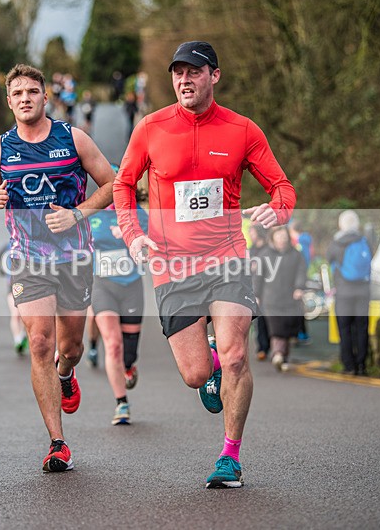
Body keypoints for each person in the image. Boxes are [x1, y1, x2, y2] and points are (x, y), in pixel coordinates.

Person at [113, 41, 296, 488]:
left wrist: (279, 208)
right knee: (196, 374)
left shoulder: (242, 130)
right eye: (178, 73)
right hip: (171, 264)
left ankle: (230, 456)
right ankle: (209, 364)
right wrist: (134, 235)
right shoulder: (151, 128)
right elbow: (122, 185)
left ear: (214, 75)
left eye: (194, 72)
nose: (184, 80)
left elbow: (283, 187)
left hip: (227, 257)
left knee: (237, 357)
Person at [0, 63, 114, 473]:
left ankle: (66, 373)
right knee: (40, 342)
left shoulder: (71, 138)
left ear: (45, 97)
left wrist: (77, 214)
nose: (25, 98)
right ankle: (58, 442)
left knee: (68, 347)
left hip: (73, 257)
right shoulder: (0, 147)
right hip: (27, 258)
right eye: (17, 93)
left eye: (32, 92)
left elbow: (113, 184)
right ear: (9, 102)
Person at [90, 199, 149, 425]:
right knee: (113, 344)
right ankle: (121, 402)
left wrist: (128, 232)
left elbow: (152, 233)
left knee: (128, 352)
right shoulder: (91, 212)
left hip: (131, 284)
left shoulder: (133, 211)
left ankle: (129, 365)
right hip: (102, 285)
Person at [253, 226, 306, 371]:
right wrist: (256, 295)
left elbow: (301, 271)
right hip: (271, 298)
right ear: (273, 238)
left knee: (287, 328)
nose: (282, 239)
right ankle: (277, 354)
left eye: (284, 236)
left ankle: (283, 357)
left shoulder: (296, 254)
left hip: (290, 298)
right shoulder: (264, 254)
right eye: (279, 236)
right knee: (276, 329)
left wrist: (299, 287)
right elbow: (258, 276)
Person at [326, 210, 371, 375]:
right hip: (363, 291)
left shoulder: (336, 243)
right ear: (357, 224)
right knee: (362, 327)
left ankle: (348, 365)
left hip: (344, 293)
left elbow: (328, 258)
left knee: (344, 328)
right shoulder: (364, 241)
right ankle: (362, 364)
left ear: (340, 225)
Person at [0, 242, 28, 355]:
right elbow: (0, 266)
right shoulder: (5, 247)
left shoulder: (29, 245)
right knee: (15, 314)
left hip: (29, 284)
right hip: (13, 284)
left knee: (25, 315)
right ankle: (17, 340)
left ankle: (23, 334)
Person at [247, 225, 271, 361]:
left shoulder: (268, 250)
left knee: (270, 319)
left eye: (252, 232)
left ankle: (270, 346)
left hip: (268, 288)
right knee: (259, 321)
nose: (250, 235)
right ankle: (263, 348)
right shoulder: (252, 249)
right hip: (255, 288)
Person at [289, 218, 313, 344]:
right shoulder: (306, 240)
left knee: (296, 307)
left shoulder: (299, 243)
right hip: (302, 276)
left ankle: (300, 334)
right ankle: (300, 333)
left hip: (297, 278)